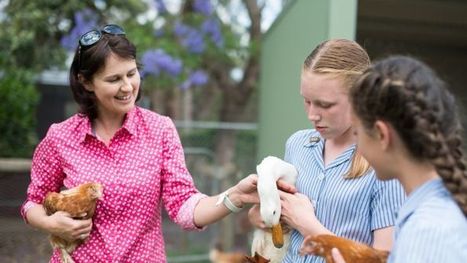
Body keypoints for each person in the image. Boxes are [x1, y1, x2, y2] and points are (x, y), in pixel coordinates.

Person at [20, 24, 290, 263]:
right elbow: (32, 202)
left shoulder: (160, 130)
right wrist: (50, 223)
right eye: (114, 79)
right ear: (86, 82)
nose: (127, 87)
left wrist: (235, 197)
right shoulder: (60, 137)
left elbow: (185, 207)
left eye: (131, 73)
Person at [248, 39, 405, 262]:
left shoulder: (384, 165)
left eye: (325, 105)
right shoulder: (297, 145)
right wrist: (264, 218)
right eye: (307, 101)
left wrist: (309, 225)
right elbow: (285, 230)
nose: (312, 114)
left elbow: (385, 259)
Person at [329, 55, 467, 262]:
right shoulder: (436, 214)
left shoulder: (427, 233)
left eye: (357, 133)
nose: (357, 146)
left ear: (382, 135)